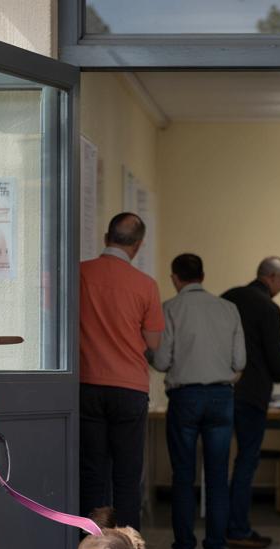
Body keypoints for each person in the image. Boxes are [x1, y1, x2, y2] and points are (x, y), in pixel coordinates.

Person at [151, 254, 246, 549]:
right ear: (203, 276)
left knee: (183, 479)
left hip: (185, 397)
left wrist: (147, 350)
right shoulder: (228, 309)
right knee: (218, 478)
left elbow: (162, 361)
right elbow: (240, 361)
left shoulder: (171, 308)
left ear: (175, 277)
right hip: (222, 397)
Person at [79, 213, 164, 530]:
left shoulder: (81, 274)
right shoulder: (146, 285)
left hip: (86, 383)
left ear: (106, 237)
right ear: (138, 245)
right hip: (129, 388)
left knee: (91, 473)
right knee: (127, 476)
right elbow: (153, 341)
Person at [221, 257, 280, 549]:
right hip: (252, 396)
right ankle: (238, 529)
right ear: (271, 277)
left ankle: (217, 530)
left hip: (221, 391)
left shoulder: (228, 298)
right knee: (246, 461)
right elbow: (275, 356)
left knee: (218, 463)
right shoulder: (268, 308)